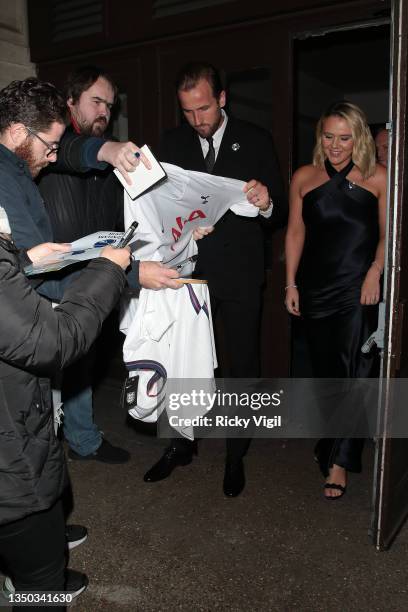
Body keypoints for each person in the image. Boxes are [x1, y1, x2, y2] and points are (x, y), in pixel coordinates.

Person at [143, 62, 287, 497]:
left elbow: (277, 212)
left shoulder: (257, 139)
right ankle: (180, 445)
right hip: (187, 274)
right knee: (182, 364)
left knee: (241, 364)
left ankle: (235, 454)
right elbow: (154, 205)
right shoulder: (171, 142)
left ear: (222, 99)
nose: (197, 120)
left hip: (240, 273)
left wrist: (264, 203)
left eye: (203, 109)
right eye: (188, 112)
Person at [36, 66, 180, 464]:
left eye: (110, 106)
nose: (104, 111)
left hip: (91, 274)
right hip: (46, 277)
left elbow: (125, 217)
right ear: (70, 102)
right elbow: (70, 151)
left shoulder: (106, 160)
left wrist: (178, 232)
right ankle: (41, 454)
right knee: (40, 373)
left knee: (84, 359)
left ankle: (83, 441)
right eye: (96, 101)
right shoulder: (53, 143)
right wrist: (106, 150)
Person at [0, 216, 130, 609]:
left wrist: (22, 261)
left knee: (33, 553)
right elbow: (55, 341)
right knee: (41, 583)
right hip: (9, 462)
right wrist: (108, 270)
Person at [285, 101, 386, 499]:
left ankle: (341, 461)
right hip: (315, 290)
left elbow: (387, 233)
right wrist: (290, 284)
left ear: (358, 137)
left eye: (345, 137)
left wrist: (375, 271)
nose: (336, 146)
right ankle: (330, 444)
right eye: (329, 137)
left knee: (357, 372)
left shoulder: (379, 177)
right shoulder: (304, 178)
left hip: (359, 288)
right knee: (327, 375)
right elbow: (295, 233)